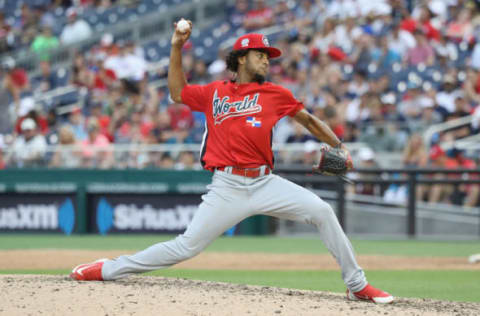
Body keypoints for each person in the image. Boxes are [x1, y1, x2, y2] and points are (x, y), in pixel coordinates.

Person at [69, 23, 394, 304]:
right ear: (241, 58)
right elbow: (178, 92)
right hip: (227, 187)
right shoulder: (214, 93)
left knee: (323, 211)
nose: (266, 58)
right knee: (185, 247)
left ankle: (357, 285)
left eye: (268, 55)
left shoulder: (275, 94)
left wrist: (339, 145)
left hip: (266, 182)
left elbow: (307, 120)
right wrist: (176, 47)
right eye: (259, 53)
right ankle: (109, 268)